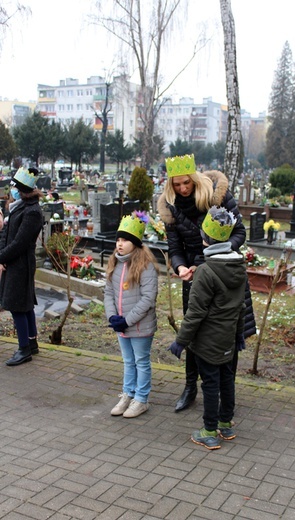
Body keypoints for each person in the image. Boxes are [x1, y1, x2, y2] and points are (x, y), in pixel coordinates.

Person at [158, 154, 256, 412]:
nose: (182, 188)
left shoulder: (218, 195)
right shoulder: (170, 207)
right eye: (176, 184)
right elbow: (174, 247)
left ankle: (226, 389)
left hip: (223, 270)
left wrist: (212, 257)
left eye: (186, 183)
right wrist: (179, 267)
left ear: (194, 179)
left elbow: (240, 232)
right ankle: (190, 387)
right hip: (193, 276)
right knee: (193, 333)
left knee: (228, 332)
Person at [168, 206, 246, 450]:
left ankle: (209, 431)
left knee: (210, 384)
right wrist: (239, 335)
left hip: (208, 342)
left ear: (206, 240)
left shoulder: (205, 271)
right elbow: (240, 307)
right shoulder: (239, 267)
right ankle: (226, 424)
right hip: (228, 340)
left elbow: (196, 312)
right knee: (227, 380)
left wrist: (181, 341)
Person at [104, 211, 159, 418]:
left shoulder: (146, 266)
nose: (119, 244)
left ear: (135, 242)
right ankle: (128, 393)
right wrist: (112, 317)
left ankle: (141, 399)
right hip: (121, 324)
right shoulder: (115, 263)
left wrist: (127, 320)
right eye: (118, 239)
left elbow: (148, 298)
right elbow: (108, 292)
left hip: (139, 326)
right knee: (128, 361)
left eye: (125, 240)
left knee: (141, 361)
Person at [0, 167, 43, 366]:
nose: (12, 190)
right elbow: (7, 235)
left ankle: (24, 348)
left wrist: (2, 256)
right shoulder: (20, 206)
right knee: (24, 305)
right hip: (14, 261)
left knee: (19, 306)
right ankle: (31, 343)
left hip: (21, 264)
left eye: (15, 187)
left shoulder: (33, 212)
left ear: (23, 189)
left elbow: (20, 242)